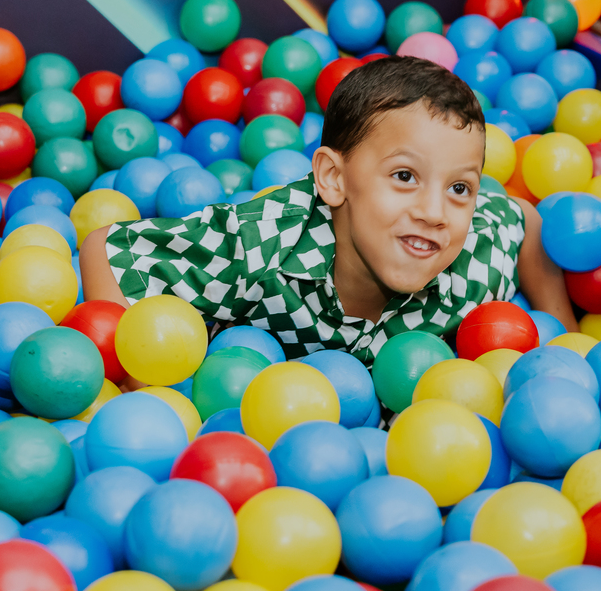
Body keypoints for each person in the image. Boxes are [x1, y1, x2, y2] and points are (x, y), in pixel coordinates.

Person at [80, 55, 575, 366]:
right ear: (334, 179)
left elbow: (522, 220)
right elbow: (106, 246)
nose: (434, 212)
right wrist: (135, 383)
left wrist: (563, 335)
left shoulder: (471, 263)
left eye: (460, 187)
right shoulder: (259, 247)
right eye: (404, 177)